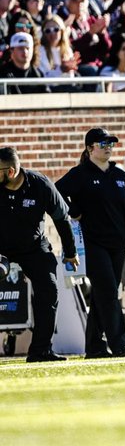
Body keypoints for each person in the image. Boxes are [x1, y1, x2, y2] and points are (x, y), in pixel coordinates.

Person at [56, 128, 125, 359]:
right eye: (102, 144)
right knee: (108, 292)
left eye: (110, 144)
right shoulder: (80, 174)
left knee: (105, 294)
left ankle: (94, 347)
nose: (108, 147)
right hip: (93, 244)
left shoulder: (120, 175)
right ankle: (119, 344)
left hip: (118, 243)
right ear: (90, 148)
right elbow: (55, 192)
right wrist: (74, 211)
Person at [0, 145, 78, 362]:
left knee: (49, 289)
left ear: (11, 172)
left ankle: (41, 350)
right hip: (1, 248)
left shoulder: (41, 184)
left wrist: (70, 253)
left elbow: (62, 218)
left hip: (33, 248)